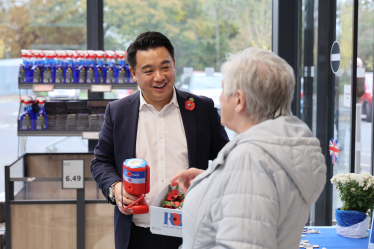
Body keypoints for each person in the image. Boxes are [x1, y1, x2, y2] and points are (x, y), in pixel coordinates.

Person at [172, 47, 327, 249]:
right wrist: (212, 181)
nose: (219, 98)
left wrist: (235, 174)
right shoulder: (275, 151)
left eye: (222, 89)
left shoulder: (249, 161)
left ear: (239, 100)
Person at [90, 31, 229, 249]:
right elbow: (101, 161)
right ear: (134, 73)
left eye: (165, 67)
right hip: (135, 233)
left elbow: (226, 159)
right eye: (148, 70)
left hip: (191, 231)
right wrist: (116, 188)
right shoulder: (117, 112)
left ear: (174, 64)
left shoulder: (201, 108)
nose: (159, 77)